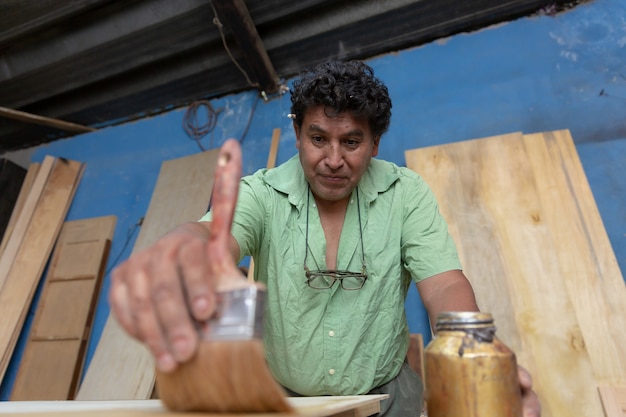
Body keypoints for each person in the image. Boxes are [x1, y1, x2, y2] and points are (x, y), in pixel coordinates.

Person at [110, 60, 541, 416]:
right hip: (284, 400)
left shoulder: (406, 193)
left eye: (351, 141)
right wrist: (184, 249)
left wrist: (474, 353)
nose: (333, 160)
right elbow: (214, 235)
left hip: (388, 397)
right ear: (297, 134)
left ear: (375, 143)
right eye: (318, 139)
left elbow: (444, 283)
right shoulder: (260, 194)